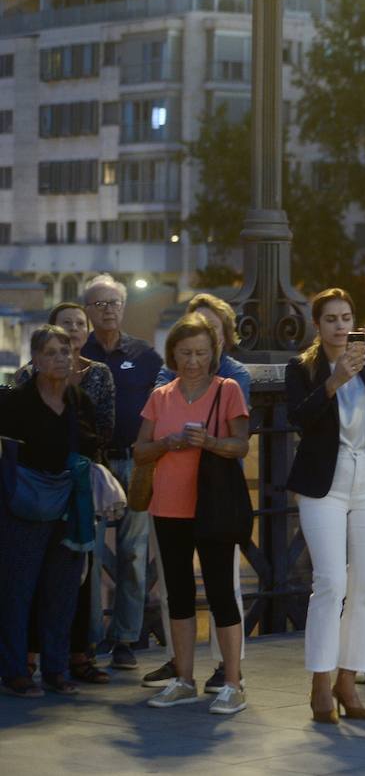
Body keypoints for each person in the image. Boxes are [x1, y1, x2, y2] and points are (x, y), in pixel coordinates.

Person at [286, 289, 365, 723]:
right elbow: (297, 417)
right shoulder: (303, 367)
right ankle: (321, 683)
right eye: (331, 319)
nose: (340, 326)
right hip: (325, 483)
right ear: (317, 326)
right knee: (331, 582)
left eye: (347, 317)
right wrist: (334, 380)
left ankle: (348, 679)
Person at [136, 315, 251, 713]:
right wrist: (167, 442)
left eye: (201, 352)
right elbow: (140, 450)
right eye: (185, 353)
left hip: (212, 505)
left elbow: (241, 446)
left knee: (221, 591)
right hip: (168, 505)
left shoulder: (228, 389)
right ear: (173, 355)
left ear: (213, 353)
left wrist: (211, 442)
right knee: (179, 594)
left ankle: (233, 682)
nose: (193, 361)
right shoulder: (161, 395)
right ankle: (183, 678)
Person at [13, 304, 115, 686]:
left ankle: (61, 665)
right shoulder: (18, 396)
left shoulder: (85, 395)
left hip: (73, 499)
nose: (61, 357)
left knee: (67, 586)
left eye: (66, 351)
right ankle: (18, 665)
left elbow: (99, 437)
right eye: (52, 351)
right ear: (37, 358)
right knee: (23, 586)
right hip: (28, 502)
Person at [81, 274, 162, 671]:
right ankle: (90, 639)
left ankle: (126, 639)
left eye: (114, 303)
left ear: (124, 307)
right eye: (100, 304)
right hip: (95, 464)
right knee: (91, 555)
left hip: (136, 462)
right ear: (87, 312)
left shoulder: (145, 354)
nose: (109, 309)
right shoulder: (79, 353)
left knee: (133, 553)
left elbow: (163, 402)